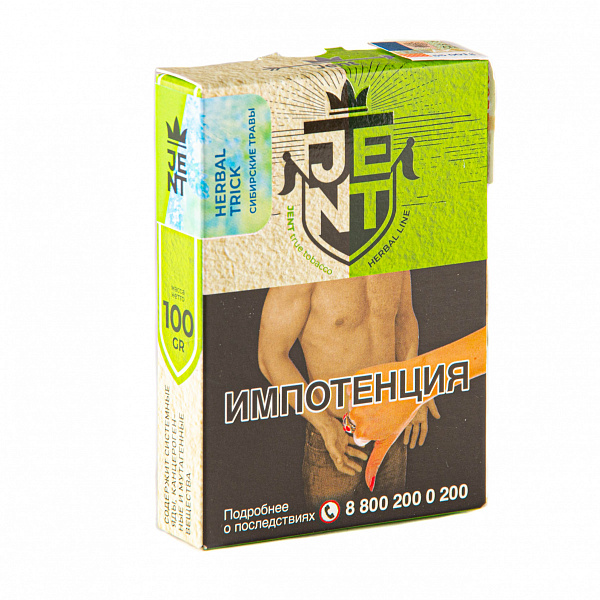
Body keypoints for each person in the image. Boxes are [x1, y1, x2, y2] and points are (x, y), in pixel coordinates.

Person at [258, 271, 440, 510]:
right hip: (336, 439)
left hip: (392, 429)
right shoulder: (303, 267)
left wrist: (415, 389)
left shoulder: (393, 256)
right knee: (331, 532)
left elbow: (404, 318)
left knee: (392, 527)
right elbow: (270, 356)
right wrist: (324, 424)